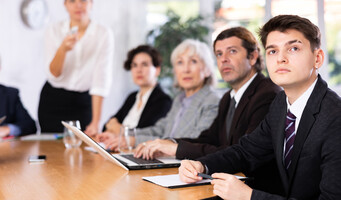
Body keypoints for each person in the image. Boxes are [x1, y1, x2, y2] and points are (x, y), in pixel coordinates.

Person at [179, 15, 341, 199]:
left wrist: (249, 196)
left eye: (293, 48)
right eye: (272, 51)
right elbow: (246, 151)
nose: (281, 58)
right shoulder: (281, 103)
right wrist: (202, 165)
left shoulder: (335, 118)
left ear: (317, 58)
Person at [134, 27, 283, 194]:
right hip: (225, 183)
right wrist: (172, 144)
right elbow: (209, 138)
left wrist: (178, 150)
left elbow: (241, 152)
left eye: (232, 51)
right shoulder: (228, 97)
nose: (224, 60)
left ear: (253, 56)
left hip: (253, 190)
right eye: (219, 54)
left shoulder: (268, 94)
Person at [99, 39, 220, 150]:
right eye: (180, 62)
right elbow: (160, 130)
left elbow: (195, 142)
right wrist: (125, 137)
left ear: (208, 69)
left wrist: (131, 139)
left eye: (193, 61)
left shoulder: (212, 101)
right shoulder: (179, 99)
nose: (185, 69)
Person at [38, 0, 114, 136]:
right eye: (72, 0)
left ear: (91, 3)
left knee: (83, 151)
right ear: (65, 5)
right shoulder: (54, 30)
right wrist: (63, 49)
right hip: (53, 99)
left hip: (83, 102)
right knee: (51, 149)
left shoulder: (103, 33)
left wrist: (96, 121)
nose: (78, 5)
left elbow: (101, 78)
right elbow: (54, 73)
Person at [103, 45, 172, 135]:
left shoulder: (163, 101)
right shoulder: (132, 97)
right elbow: (107, 125)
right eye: (134, 65)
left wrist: (118, 129)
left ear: (157, 70)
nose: (138, 70)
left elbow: (145, 135)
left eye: (144, 65)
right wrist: (118, 129)